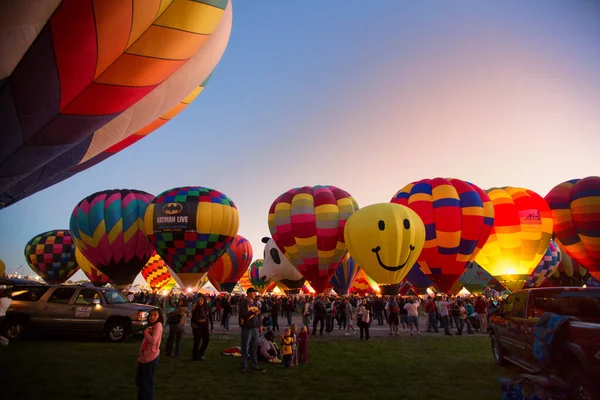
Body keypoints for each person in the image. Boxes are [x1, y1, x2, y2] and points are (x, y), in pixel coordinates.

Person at [136, 308, 163, 400]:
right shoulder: (152, 326)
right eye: (151, 315)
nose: (152, 317)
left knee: (147, 383)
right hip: (144, 356)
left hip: (151, 357)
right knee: (140, 381)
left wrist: (146, 333)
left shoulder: (158, 325)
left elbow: (153, 341)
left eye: (155, 315)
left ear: (159, 316)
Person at [239, 288, 262, 373]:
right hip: (247, 327)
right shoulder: (244, 302)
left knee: (254, 347)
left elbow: (259, 315)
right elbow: (243, 314)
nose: (255, 294)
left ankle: (254, 365)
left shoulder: (256, 302)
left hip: (255, 327)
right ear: (248, 293)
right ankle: (244, 366)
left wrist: (260, 325)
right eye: (253, 292)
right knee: (245, 347)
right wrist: (253, 313)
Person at [191, 296, 213, 361]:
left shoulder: (207, 308)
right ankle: (195, 357)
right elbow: (194, 319)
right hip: (197, 327)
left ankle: (200, 354)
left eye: (201, 300)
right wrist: (200, 320)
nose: (200, 301)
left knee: (206, 341)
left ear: (204, 301)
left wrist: (212, 326)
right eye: (199, 300)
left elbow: (210, 317)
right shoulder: (196, 308)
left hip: (205, 327)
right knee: (197, 342)